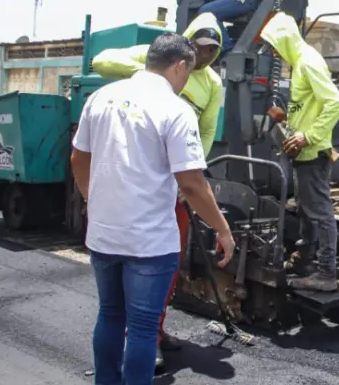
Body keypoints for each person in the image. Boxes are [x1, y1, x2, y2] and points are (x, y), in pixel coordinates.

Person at [70, 33, 235, 385]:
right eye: (188, 73)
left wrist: (91, 200)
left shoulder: (101, 97)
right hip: (149, 242)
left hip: (103, 234)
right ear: (179, 67)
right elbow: (191, 184)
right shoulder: (176, 110)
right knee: (143, 329)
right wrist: (222, 228)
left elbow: (78, 158)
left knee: (110, 315)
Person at [259, 12, 339, 292]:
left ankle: (326, 273)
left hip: (313, 153)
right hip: (305, 154)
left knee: (320, 214)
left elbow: (334, 103)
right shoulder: (300, 63)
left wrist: (308, 136)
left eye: (274, 45)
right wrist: (288, 120)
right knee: (308, 212)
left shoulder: (307, 62)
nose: (274, 52)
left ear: (284, 40)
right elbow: (311, 107)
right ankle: (305, 261)